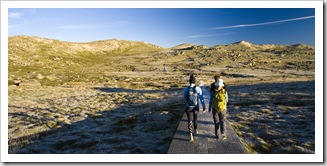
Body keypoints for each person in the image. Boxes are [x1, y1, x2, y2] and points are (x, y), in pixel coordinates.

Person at [183, 74, 207, 142]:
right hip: (196, 107)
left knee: (189, 121)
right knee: (195, 118)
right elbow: (201, 98)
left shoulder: (186, 89)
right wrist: (204, 106)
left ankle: (191, 136)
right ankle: (196, 130)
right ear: (195, 81)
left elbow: (184, 97)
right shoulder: (198, 88)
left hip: (188, 107)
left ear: (189, 81)